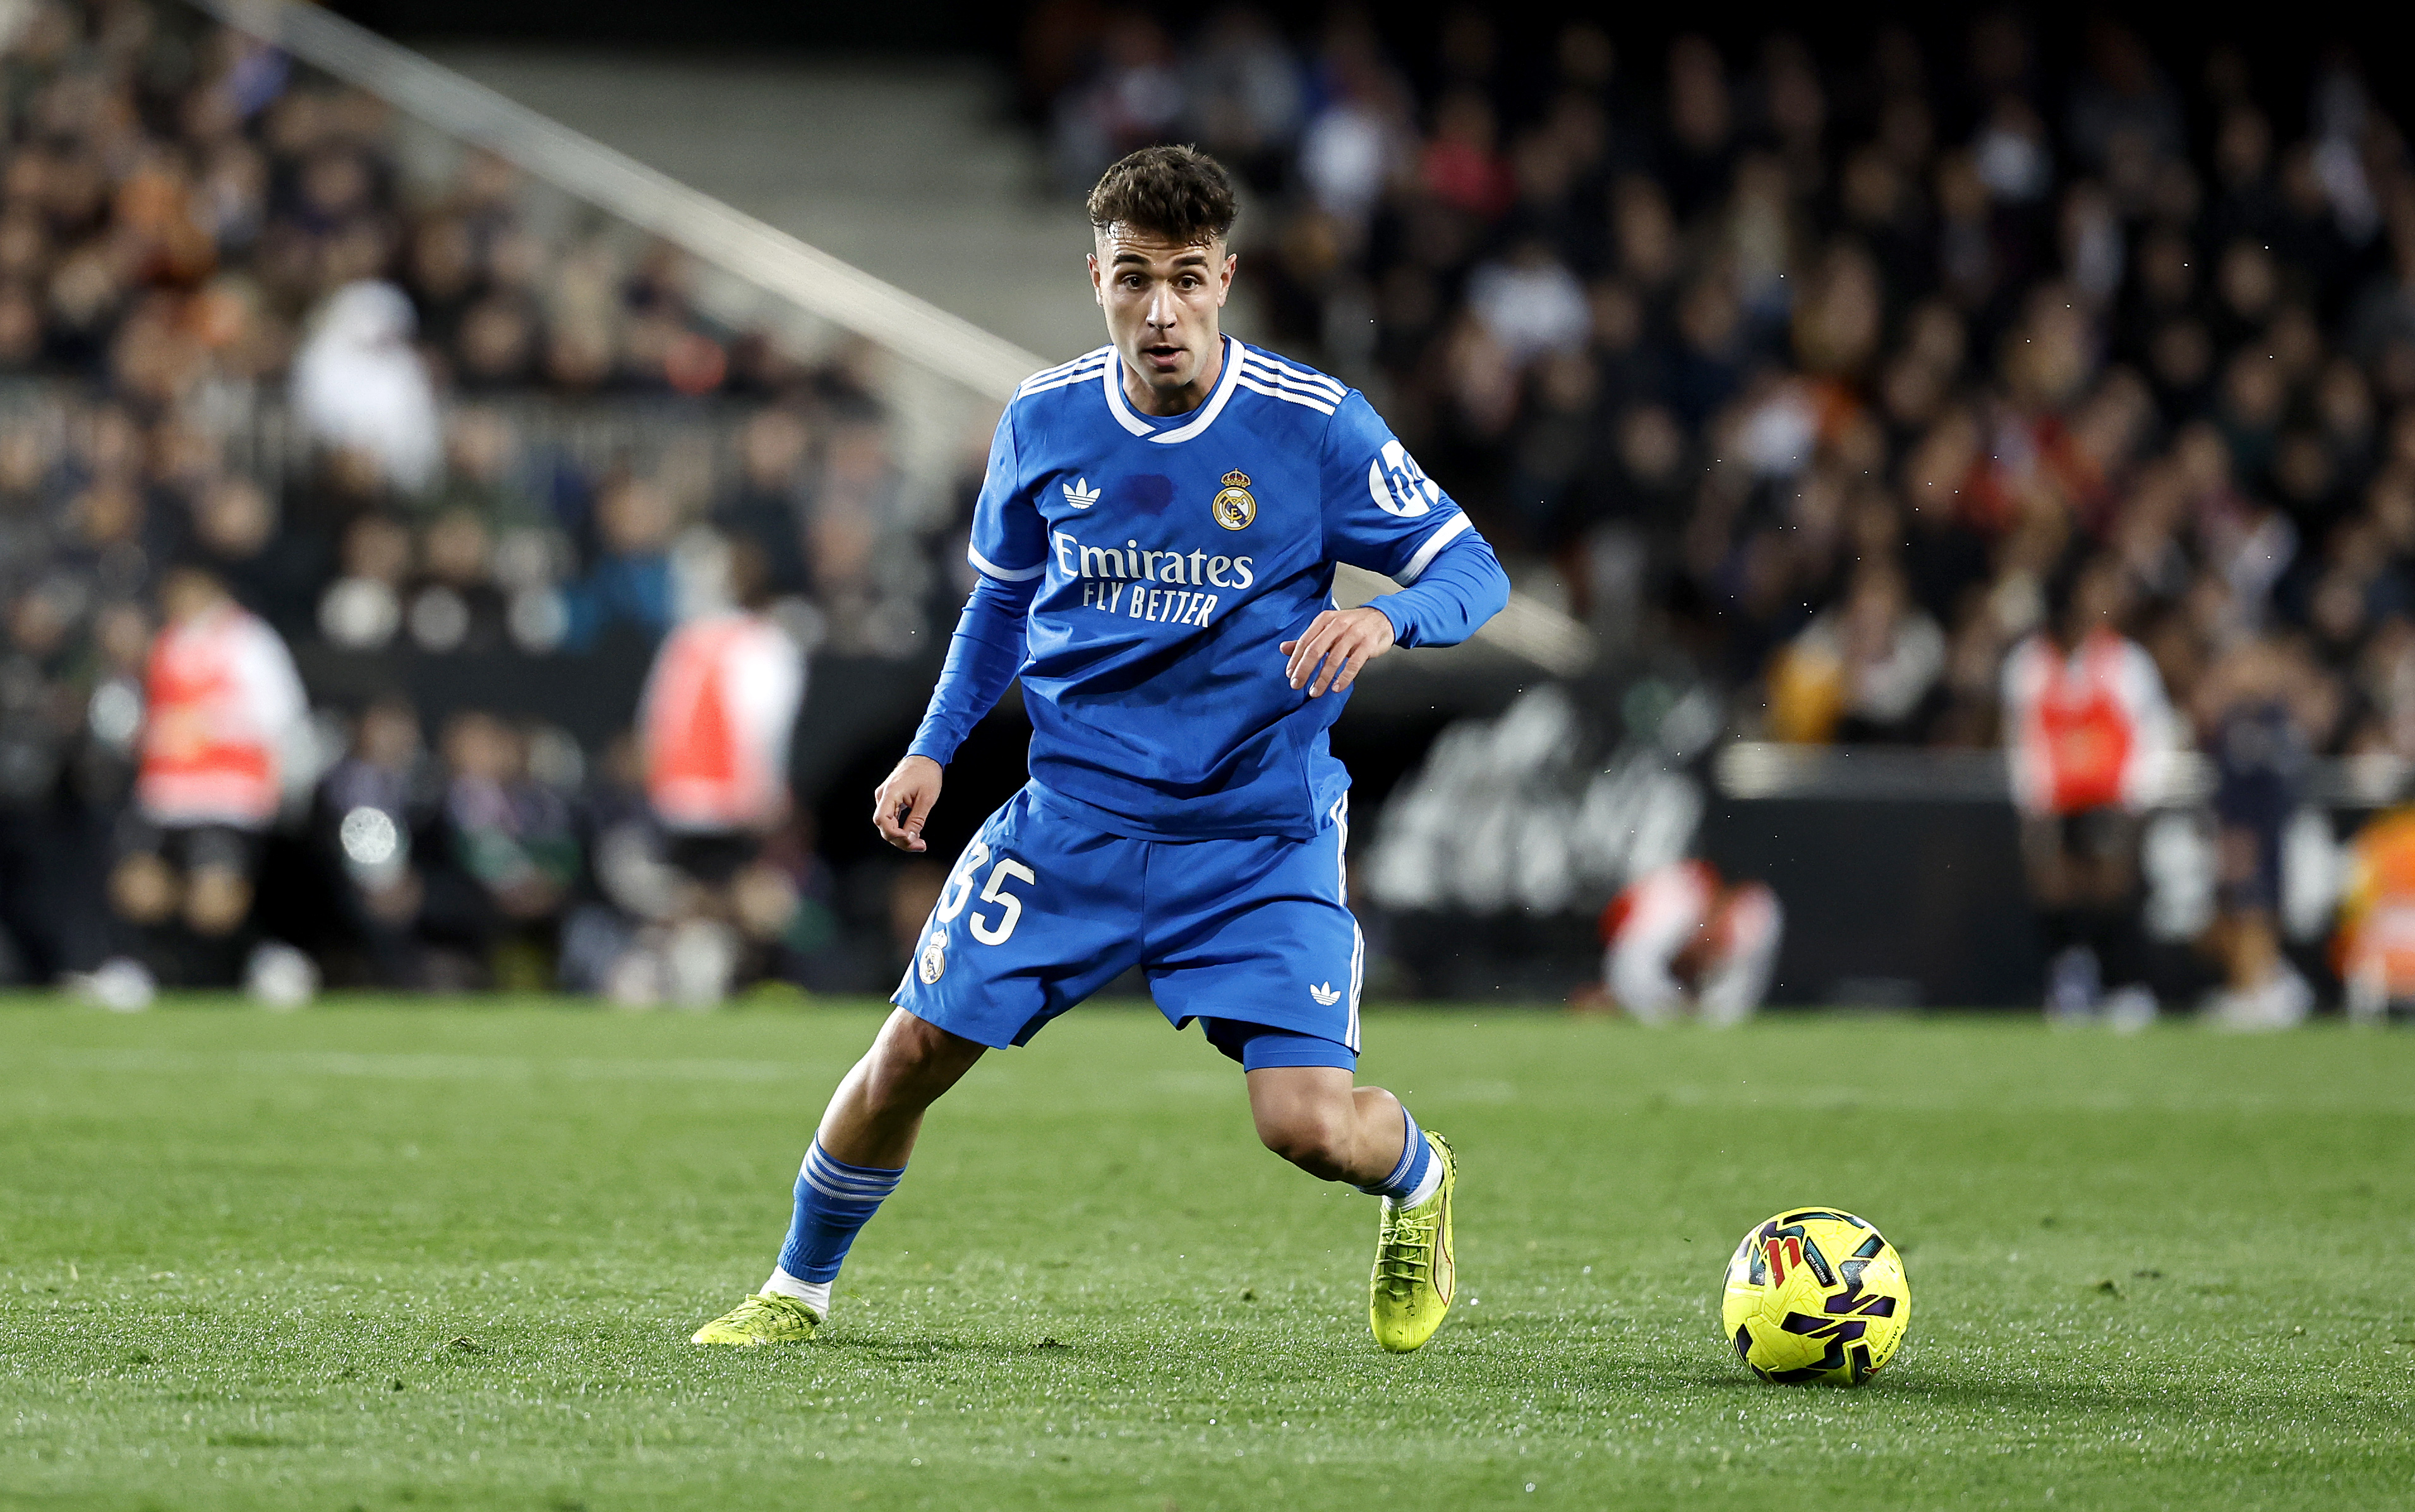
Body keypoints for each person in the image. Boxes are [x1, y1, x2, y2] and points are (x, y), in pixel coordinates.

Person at [690, 145, 1510, 1353]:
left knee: (1305, 1126)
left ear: (1226, 275)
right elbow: (1000, 606)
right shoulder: (1043, 419)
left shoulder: (1314, 425)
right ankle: (794, 1290)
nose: (1159, 308)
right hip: (1070, 818)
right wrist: (931, 749)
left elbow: (1472, 568)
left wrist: (1385, 612)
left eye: (1186, 277)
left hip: (1253, 829)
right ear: (1095, 276)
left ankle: (1420, 1177)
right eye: (1133, 278)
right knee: (911, 1045)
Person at [107, 562, 310, 999]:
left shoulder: (249, 641)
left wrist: (211, 724)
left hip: (226, 795)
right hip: (165, 795)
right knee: (140, 886)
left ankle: (267, 960)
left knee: (214, 903)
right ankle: (141, 970)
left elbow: (282, 715)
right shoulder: (165, 643)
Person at [2001, 556, 2175, 1028]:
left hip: (2113, 799)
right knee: (2054, 889)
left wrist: (2135, 800)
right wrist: (2034, 810)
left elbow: (2154, 735)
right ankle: (2069, 979)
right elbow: (2024, 741)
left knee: (2111, 890)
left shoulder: (2126, 663)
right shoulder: (2028, 665)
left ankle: (2124, 986)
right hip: (2055, 802)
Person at [632, 543, 807, 1004]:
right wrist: (768, 795)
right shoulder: (766, 643)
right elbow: (762, 724)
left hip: (675, 798)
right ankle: (733, 981)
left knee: (697, 898)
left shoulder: (687, 638)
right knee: (754, 899)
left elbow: (655, 720)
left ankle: (677, 977)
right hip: (733, 800)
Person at [1586, 859, 1782, 1026]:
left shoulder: (1752, 912)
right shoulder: (1672, 908)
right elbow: (1630, 971)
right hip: (1618, 928)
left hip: (1671, 954)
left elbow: (1735, 1003)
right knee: (1604, 1003)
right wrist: (1677, 1007)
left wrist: (1705, 1011)